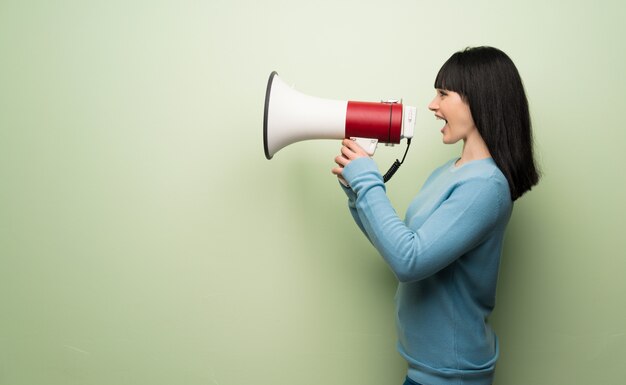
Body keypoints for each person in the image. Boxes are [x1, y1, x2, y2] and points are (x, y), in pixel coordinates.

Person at [331, 46, 540, 385]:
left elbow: (408, 261)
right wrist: (356, 193)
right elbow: (398, 246)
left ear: (479, 99)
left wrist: (368, 179)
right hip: (428, 370)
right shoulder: (450, 172)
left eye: (443, 93)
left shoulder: (486, 186)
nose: (432, 104)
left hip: (452, 377)